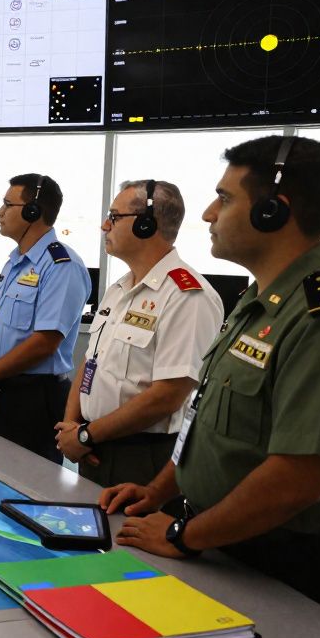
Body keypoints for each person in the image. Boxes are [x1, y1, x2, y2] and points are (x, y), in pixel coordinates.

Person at [101, 135, 320, 625]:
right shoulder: (256, 305)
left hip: (289, 569)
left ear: (273, 210)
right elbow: (204, 421)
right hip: (223, 542)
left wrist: (184, 535)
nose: (207, 213)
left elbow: (299, 478)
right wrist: (159, 490)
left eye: (225, 199)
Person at [54, 180, 222, 486]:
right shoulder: (119, 289)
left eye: (114, 217)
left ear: (146, 224)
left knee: (127, 533)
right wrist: (72, 423)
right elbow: (92, 361)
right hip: (93, 443)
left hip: (142, 456)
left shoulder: (187, 296)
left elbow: (168, 396)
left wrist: (86, 433)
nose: (105, 225)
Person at [0, 173, 91, 464]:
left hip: (33, 398)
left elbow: (45, 342)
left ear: (33, 212)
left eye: (7, 204)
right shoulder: (14, 263)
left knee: (28, 487)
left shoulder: (62, 266)